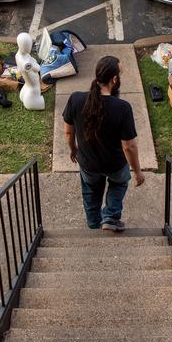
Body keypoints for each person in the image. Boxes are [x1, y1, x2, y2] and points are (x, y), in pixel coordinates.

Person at [62, 56, 145, 231]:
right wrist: (137, 172)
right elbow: (129, 146)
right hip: (115, 164)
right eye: (119, 75)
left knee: (91, 191)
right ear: (114, 80)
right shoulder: (122, 107)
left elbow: (69, 131)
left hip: (88, 163)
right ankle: (110, 217)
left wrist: (73, 149)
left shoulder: (75, 99)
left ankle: (93, 224)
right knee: (120, 183)